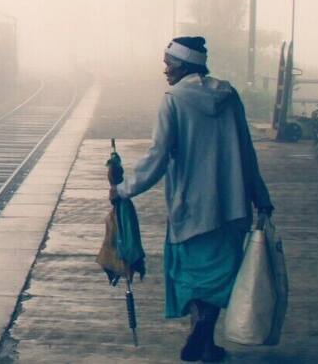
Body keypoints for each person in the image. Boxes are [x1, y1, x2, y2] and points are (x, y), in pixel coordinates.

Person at [108, 36, 274, 362]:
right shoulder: (229, 95)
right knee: (220, 274)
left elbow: (157, 157)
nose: (165, 69)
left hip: (192, 208)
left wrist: (123, 189)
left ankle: (200, 332)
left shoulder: (173, 100)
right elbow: (246, 150)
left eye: (168, 63)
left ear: (184, 65)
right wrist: (260, 195)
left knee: (193, 276)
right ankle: (207, 340)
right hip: (233, 206)